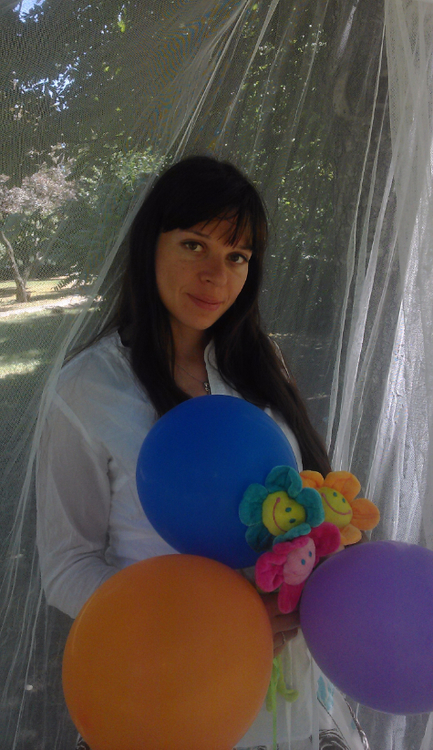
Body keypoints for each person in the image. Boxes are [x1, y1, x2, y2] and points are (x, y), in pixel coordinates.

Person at [36, 155, 368, 750]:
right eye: (194, 245)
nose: (216, 274)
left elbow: (301, 503)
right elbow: (67, 565)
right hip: (170, 685)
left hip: (286, 689)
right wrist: (196, 624)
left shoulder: (261, 367)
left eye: (237, 256)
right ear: (149, 246)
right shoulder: (87, 390)